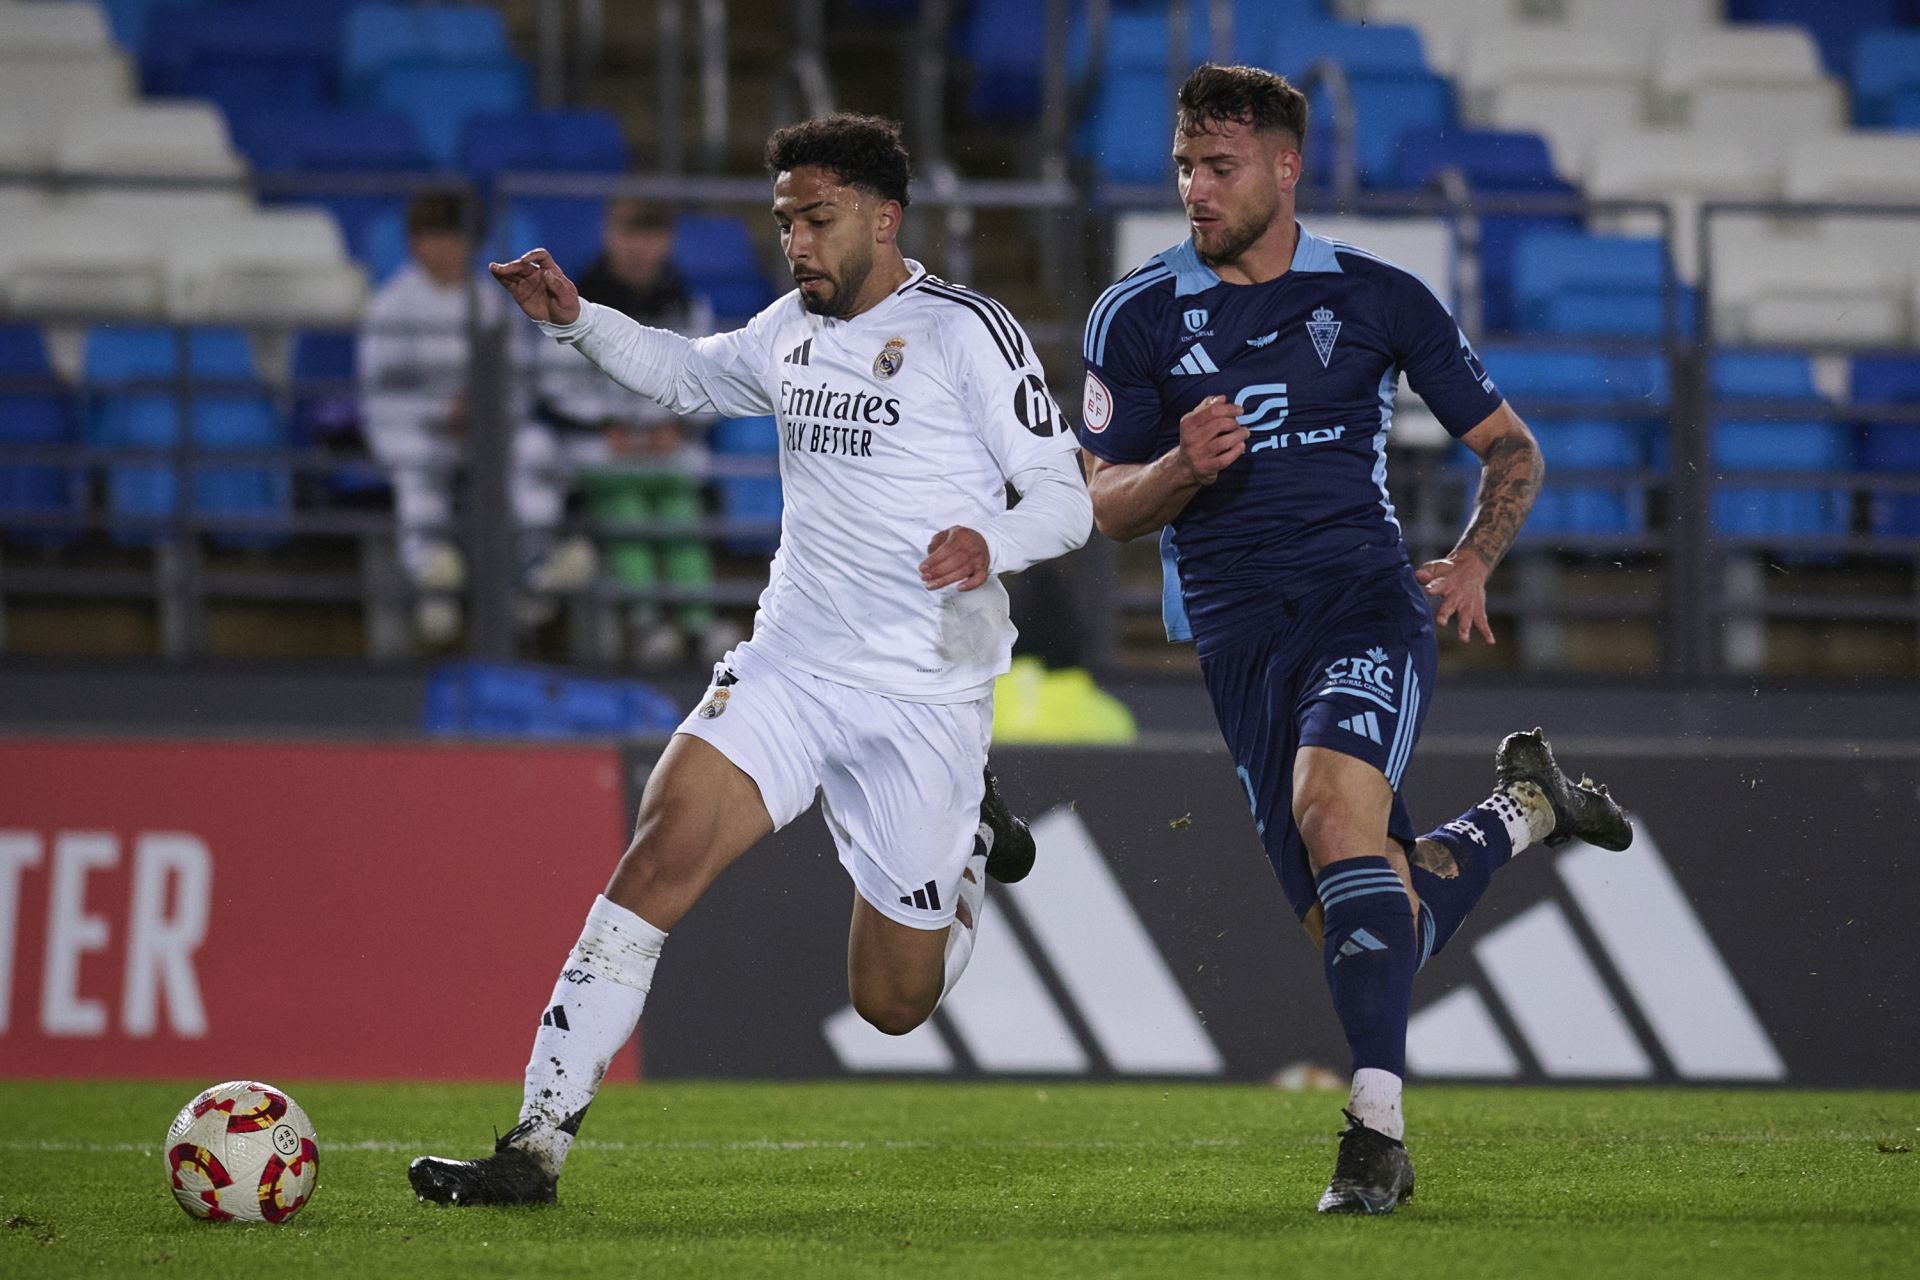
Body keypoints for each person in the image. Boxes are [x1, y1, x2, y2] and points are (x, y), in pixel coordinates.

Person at [408, 113, 1092, 1206]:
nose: (799, 243)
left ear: (883, 215)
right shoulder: (789, 329)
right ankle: (533, 1144)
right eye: (784, 223)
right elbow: (686, 375)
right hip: (792, 665)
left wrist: (989, 540)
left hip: (926, 692)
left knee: (893, 1001)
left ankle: (966, 844)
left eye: (818, 220)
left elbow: (1065, 495)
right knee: (654, 858)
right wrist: (578, 320)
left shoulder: (970, 332)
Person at [1075, 64, 1632, 1215]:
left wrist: (1473, 558)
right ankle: (1523, 810)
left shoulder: (1381, 298)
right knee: (1367, 918)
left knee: (1337, 817)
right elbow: (1105, 507)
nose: (1194, 187)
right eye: (1183, 164)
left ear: (1287, 166)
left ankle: (1374, 1132)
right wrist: (1181, 465)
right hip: (1234, 641)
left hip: (1361, 602)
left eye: (1219, 166)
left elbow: (1512, 448)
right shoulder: (1132, 315)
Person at [357, 190, 593, 645]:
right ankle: (433, 576)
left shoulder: (491, 303)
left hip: (484, 430)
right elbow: (378, 394)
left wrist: (487, 412)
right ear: (414, 243)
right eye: (434, 235)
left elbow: (518, 381)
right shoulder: (390, 306)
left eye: (456, 236)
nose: (446, 247)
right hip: (414, 431)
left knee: (535, 449)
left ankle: (535, 570)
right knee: (418, 463)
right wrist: (439, 412)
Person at [538, 198, 741, 665]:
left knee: (679, 507)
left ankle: (697, 624)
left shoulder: (687, 302)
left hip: (662, 445)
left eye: (650, 236)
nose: (639, 248)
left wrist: (673, 424)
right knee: (627, 506)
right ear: (609, 233)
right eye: (630, 233)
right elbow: (554, 384)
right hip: (598, 448)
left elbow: (703, 374)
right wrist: (607, 426)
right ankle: (647, 625)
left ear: (667, 241)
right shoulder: (574, 298)